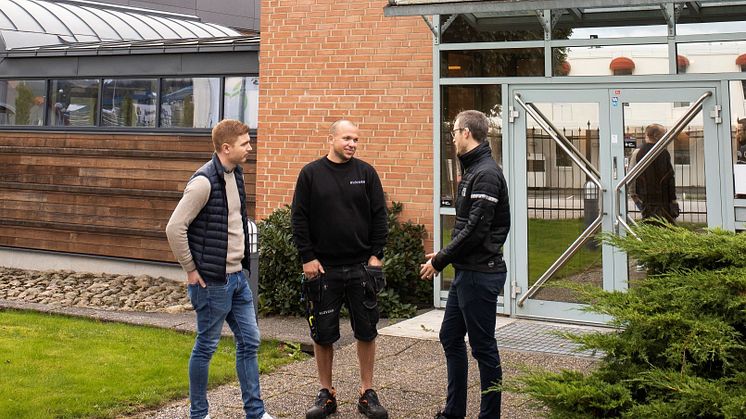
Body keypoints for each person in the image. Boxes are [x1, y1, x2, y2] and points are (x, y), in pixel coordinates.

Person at [165, 119, 273, 419]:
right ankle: (199, 414)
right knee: (206, 346)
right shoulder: (203, 182)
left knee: (250, 341)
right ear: (227, 148)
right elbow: (174, 228)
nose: (250, 148)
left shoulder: (236, 174)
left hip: (239, 278)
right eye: (245, 144)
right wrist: (190, 268)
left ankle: (255, 412)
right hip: (212, 282)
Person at [291, 119, 388, 419]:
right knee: (322, 335)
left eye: (356, 140)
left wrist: (376, 256)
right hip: (323, 271)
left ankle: (367, 392)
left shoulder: (366, 173)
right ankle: (326, 393)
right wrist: (307, 258)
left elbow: (379, 216)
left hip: (362, 269)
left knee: (367, 331)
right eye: (347, 138)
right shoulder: (311, 174)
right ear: (331, 138)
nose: (352, 144)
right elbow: (299, 218)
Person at [420, 110, 510, 419]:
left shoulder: (485, 173)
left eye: (455, 132)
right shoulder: (473, 169)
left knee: (484, 348)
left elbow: (476, 229)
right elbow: (466, 226)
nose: (453, 137)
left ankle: (490, 416)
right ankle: (454, 411)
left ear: (467, 133)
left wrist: (442, 259)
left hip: (481, 274)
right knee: (450, 336)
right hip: (466, 272)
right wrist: (446, 255)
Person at [629, 123, 679, 224]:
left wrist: (635, 195)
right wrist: (673, 199)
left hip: (644, 197)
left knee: (650, 224)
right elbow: (669, 177)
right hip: (662, 199)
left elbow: (632, 175)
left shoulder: (639, 152)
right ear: (656, 136)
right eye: (664, 134)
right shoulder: (662, 152)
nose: (666, 136)